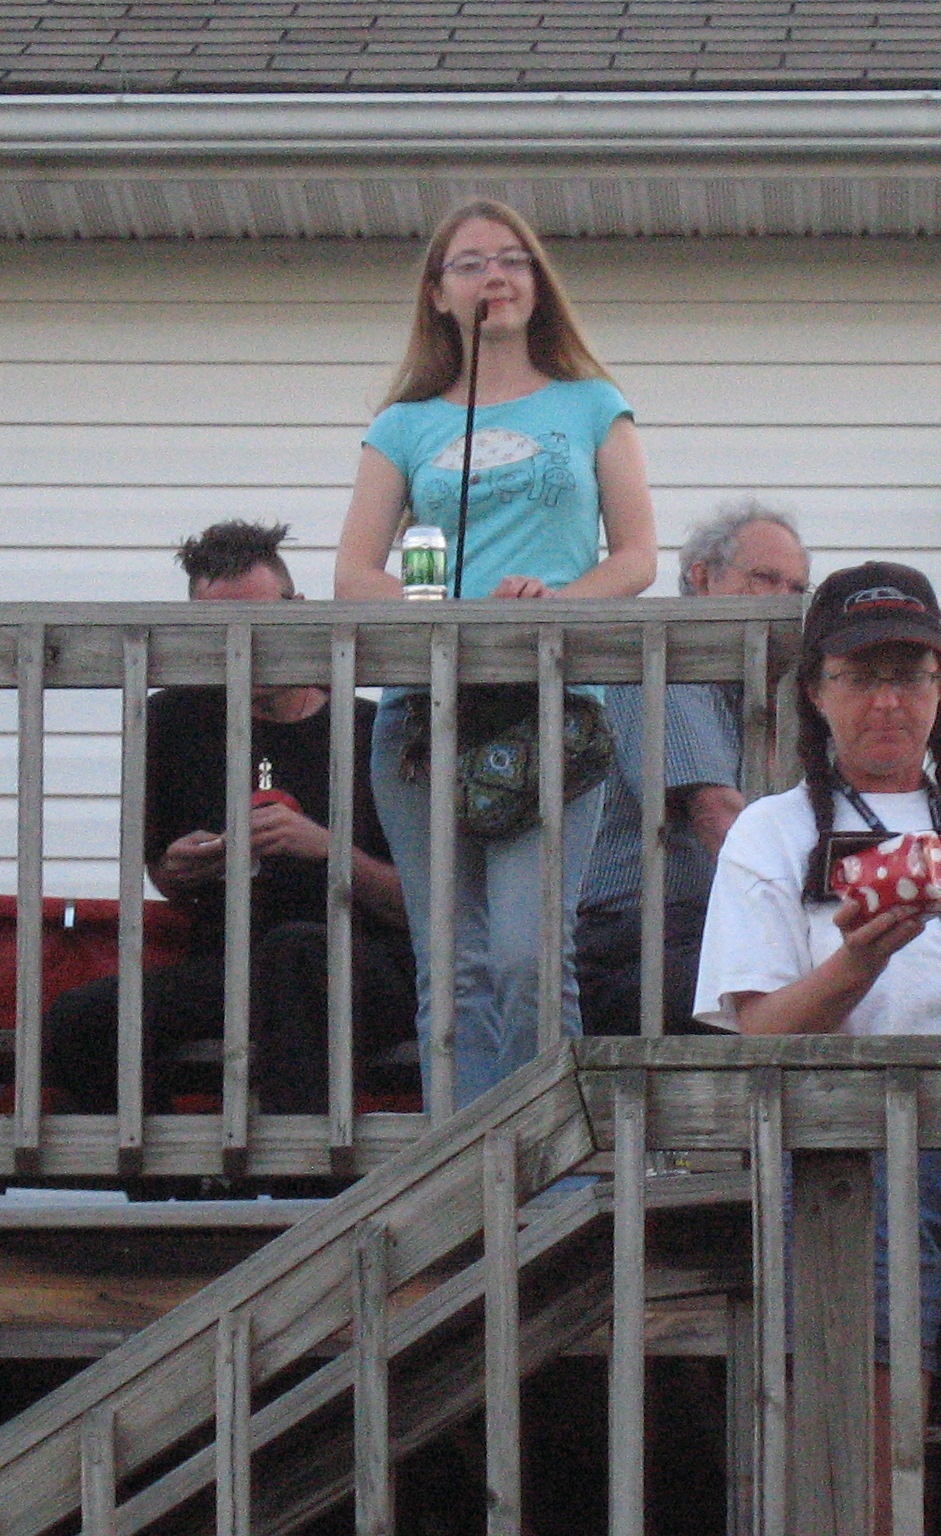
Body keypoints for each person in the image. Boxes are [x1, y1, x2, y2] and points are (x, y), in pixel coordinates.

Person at [695, 562, 941, 1535]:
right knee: (867, 1491)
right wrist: (857, 961)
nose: (888, 701)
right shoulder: (771, 832)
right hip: (854, 1163)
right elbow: (756, 1032)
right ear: (816, 690)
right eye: (861, 676)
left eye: (910, 676)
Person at [333, 197, 657, 1111]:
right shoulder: (404, 424)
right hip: (424, 711)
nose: (496, 277)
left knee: (525, 951)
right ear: (438, 295)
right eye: (471, 264)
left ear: (537, 284)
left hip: (550, 706)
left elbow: (636, 557)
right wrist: (446, 608)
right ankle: (464, 1165)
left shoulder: (592, 406)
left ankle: (545, 1157)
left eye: (513, 260)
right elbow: (352, 574)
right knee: (453, 961)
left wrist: (557, 602)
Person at [45, 522, 416, 1115]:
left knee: (296, 953)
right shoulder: (173, 720)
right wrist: (183, 868)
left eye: (260, 621)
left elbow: (421, 904)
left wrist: (327, 849)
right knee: (79, 1020)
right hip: (232, 967)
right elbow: (164, 875)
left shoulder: (373, 731)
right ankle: (170, 1164)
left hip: (360, 965)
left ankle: (303, 1167)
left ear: (298, 610)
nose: (245, 642)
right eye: (221, 628)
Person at [574, 501, 809, 1035]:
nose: (782, 600)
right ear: (701, 579)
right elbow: (717, 816)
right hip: (637, 937)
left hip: (713, 931)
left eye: (796, 588)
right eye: (764, 578)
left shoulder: (779, 695)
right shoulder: (664, 660)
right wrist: (808, 920)